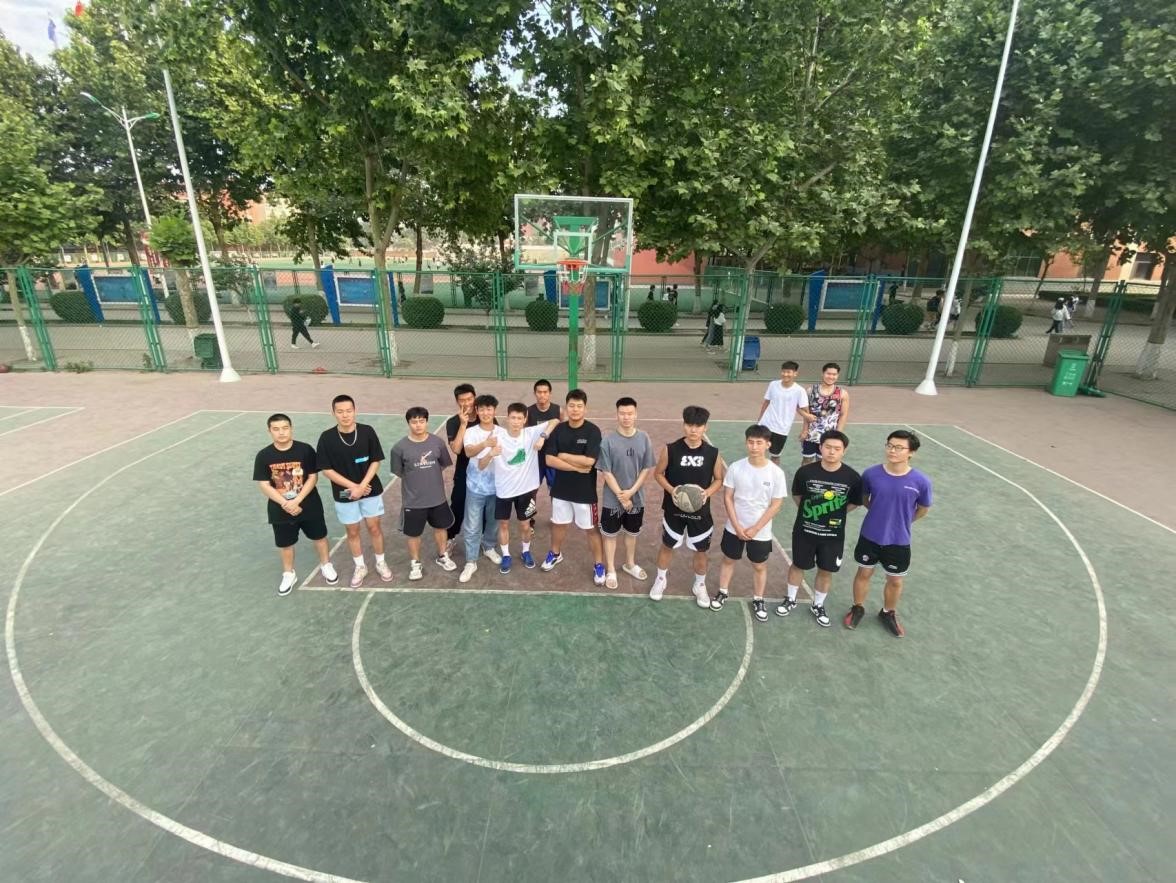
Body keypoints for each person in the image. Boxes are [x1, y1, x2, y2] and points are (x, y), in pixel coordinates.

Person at [844, 430, 933, 638]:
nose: (892, 451)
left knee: (895, 580)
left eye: (899, 447)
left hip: (899, 540)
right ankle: (858, 607)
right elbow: (865, 499)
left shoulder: (921, 481)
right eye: (890, 445)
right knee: (864, 573)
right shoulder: (871, 474)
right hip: (870, 535)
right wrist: (879, 514)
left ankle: (888, 612)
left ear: (911, 452)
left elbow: (923, 509)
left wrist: (901, 521)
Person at [779, 430, 862, 627]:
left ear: (844, 451)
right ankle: (790, 599)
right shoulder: (805, 472)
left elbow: (855, 502)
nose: (832, 452)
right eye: (828, 447)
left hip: (832, 535)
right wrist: (811, 513)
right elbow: (797, 495)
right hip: (805, 531)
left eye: (837, 448)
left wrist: (836, 513)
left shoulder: (852, 477)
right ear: (820, 447)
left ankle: (818, 604)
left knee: (826, 570)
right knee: (798, 565)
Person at [253, 413, 336, 595]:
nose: (281, 432)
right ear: (269, 431)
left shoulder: (305, 450)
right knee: (285, 544)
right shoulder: (264, 455)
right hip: (280, 509)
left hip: (309, 505)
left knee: (320, 537)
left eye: (285, 428)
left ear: (291, 428)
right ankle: (289, 574)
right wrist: (285, 503)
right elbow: (264, 484)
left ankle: (326, 565)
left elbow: (313, 477)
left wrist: (297, 500)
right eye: (276, 429)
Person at [711, 425, 787, 622]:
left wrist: (755, 528)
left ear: (768, 445)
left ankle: (758, 599)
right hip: (734, 527)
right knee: (729, 560)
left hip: (760, 531)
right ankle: (722, 591)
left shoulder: (776, 473)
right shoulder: (736, 467)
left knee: (759, 565)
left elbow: (776, 504)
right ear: (746, 443)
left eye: (759, 443)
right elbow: (728, 497)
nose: (754, 447)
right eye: (751, 442)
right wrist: (736, 526)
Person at [315, 395, 392, 588]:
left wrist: (362, 485)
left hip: (370, 489)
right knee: (352, 530)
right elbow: (326, 470)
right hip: (344, 493)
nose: (345, 415)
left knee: (374, 527)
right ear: (333, 413)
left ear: (355, 410)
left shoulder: (367, 431)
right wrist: (353, 487)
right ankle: (360, 566)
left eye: (349, 411)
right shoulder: (326, 438)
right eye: (340, 411)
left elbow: (376, 460)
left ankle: (380, 562)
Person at [651, 405, 724, 607]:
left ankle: (699, 585)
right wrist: (672, 490)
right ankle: (660, 579)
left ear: (705, 428)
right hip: (673, 510)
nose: (693, 430)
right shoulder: (671, 449)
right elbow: (658, 474)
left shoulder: (713, 453)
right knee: (667, 546)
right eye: (690, 425)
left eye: (698, 426)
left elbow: (718, 479)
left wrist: (707, 493)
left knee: (701, 551)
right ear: (684, 425)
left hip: (700, 512)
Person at [541, 389, 606, 585]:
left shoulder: (593, 431)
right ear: (566, 407)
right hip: (561, 489)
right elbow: (549, 459)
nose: (575, 409)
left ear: (585, 409)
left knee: (591, 529)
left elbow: (590, 461)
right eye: (571, 406)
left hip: (584, 492)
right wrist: (576, 467)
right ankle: (555, 553)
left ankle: (599, 564)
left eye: (579, 406)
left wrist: (564, 456)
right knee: (558, 524)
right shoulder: (558, 430)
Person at [388, 407, 458, 581]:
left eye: (421, 421)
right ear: (408, 423)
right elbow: (399, 472)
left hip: (437, 498)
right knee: (413, 534)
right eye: (414, 422)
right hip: (413, 501)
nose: (418, 425)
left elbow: (443, 464)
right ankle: (415, 563)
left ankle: (442, 556)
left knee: (441, 528)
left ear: (426, 422)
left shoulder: (438, 443)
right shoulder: (399, 448)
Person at [488, 403, 559, 572]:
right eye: (513, 418)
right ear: (507, 418)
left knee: (526, 525)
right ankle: (506, 555)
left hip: (526, 491)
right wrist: (490, 451)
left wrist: (543, 436)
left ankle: (526, 551)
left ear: (525, 419)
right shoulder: (497, 436)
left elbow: (555, 420)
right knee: (503, 525)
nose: (516, 421)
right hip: (504, 491)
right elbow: (482, 459)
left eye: (520, 418)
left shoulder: (531, 433)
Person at [598, 397, 656, 589]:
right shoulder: (608, 441)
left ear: (636, 414)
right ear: (617, 414)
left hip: (636, 498)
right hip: (612, 500)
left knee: (632, 533)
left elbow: (646, 468)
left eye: (630, 413)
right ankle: (611, 569)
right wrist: (622, 496)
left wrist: (631, 492)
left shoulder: (644, 438)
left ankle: (629, 564)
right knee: (610, 535)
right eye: (622, 413)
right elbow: (606, 472)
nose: (626, 417)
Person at [458, 394, 506, 583]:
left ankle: (488, 547)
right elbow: (468, 451)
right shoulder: (471, 432)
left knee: (493, 521)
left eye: (489, 409)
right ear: (476, 411)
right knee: (472, 525)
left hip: (497, 487)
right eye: (482, 409)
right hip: (475, 487)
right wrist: (486, 444)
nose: (486, 413)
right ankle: (471, 561)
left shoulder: (502, 432)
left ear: (495, 411)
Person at [757, 361, 814, 465]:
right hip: (765, 424)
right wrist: (759, 421)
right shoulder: (773, 384)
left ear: (795, 374)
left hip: (782, 429)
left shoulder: (799, 391)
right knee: (758, 452)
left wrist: (805, 430)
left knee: (775, 456)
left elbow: (806, 411)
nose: (785, 374)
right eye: (783, 371)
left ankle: (774, 475)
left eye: (788, 372)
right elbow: (766, 402)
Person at [799, 362, 850, 465]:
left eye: (834, 374)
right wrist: (804, 430)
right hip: (811, 434)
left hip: (829, 436)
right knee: (806, 461)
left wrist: (838, 434)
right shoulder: (810, 391)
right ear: (823, 374)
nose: (831, 377)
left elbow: (843, 415)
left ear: (837, 375)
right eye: (828, 373)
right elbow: (806, 412)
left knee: (824, 462)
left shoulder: (842, 394)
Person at [526, 379, 562, 503]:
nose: (542, 395)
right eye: (539, 392)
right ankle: (530, 513)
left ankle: (557, 513)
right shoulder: (528, 412)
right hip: (535, 458)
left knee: (555, 490)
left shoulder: (558, 410)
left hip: (553, 456)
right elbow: (524, 434)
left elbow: (565, 430)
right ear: (534, 393)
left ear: (550, 393)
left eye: (545, 392)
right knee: (532, 491)